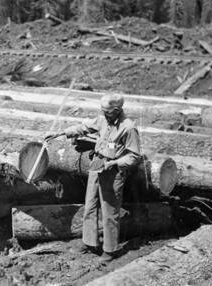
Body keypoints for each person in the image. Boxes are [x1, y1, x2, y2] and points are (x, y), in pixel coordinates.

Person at [45, 94, 142, 262]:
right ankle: (89, 242)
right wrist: (61, 132)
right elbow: (84, 127)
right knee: (90, 204)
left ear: (117, 110)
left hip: (113, 169)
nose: (104, 113)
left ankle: (110, 250)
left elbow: (134, 156)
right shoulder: (102, 119)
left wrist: (115, 163)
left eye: (107, 111)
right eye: (102, 110)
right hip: (97, 163)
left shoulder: (128, 128)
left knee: (109, 210)